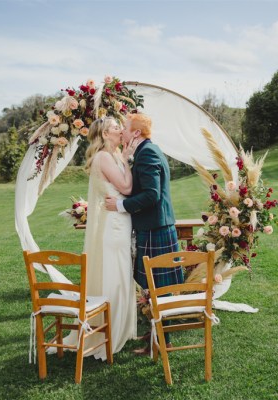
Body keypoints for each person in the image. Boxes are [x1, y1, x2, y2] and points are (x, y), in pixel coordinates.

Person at [105, 113, 183, 355]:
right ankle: (156, 336)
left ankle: (161, 341)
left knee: (159, 285)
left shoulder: (147, 153)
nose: (122, 133)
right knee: (156, 286)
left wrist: (119, 205)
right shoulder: (145, 150)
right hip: (155, 226)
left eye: (125, 128)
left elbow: (152, 195)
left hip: (155, 227)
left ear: (136, 133)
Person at [82, 116, 137, 359]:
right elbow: (126, 188)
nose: (120, 130)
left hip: (119, 222)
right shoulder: (105, 157)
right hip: (113, 226)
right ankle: (111, 330)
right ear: (105, 134)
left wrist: (124, 158)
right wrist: (127, 159)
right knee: (115, 274)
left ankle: (121, 327)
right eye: (116, 128)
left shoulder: (112, 156)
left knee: (121, 272)